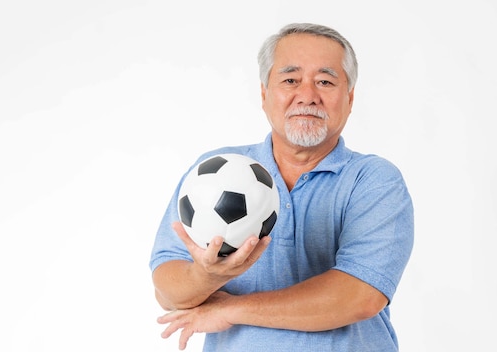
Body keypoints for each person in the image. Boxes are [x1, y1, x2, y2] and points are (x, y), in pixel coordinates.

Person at [149, 22, 414, 351]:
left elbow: (360, 295)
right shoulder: (213, 174)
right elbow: (167, 291)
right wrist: (207, 276)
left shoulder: (373, 179)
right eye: (290, 80)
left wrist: (232, 309)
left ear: (349, 98)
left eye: (325, 81)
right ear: (264, 93)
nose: (308, 96)